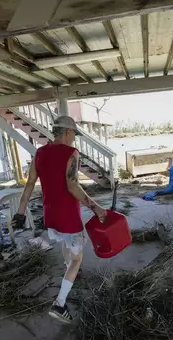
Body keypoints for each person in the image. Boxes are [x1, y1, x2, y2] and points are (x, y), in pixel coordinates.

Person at [13, 115, 107, 323]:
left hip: (50, 215)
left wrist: (20, 213)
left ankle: (68, 275)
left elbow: (29, 184)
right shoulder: (71, 153)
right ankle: (60, 303)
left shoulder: (39, 153)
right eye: (74, 134)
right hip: (67, 216)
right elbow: (72, 186)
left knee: (67, 246)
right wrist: (96, 208)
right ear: (67, 132)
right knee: (77, 260)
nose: (74, 139)